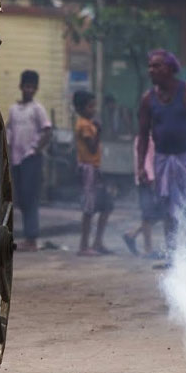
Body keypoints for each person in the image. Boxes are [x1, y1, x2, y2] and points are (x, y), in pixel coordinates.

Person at [136, 50, 186, 254]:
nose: (151, 70)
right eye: (150, 66)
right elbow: (143, 135)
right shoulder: (148, 99)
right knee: (167, 207)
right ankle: (172, 254)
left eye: (157, 66)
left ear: (170, 69)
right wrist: (141, 167)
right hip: (163, 159)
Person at [6, 70, 52, 252]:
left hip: (31, 158)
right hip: (16, 159)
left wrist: (34, 149)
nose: (29, 90)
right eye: (27, 86)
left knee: (30, 197)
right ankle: (28, 236)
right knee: (22, 198)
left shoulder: (37, 109)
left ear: (36, 89)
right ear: (21, 87)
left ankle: (31, 238)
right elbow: (8, 131)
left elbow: (47, 131)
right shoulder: (14, 109)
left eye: (33, 87)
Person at [73, 90, 112, 256]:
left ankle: (97, 242)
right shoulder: (84, 125)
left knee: (106, 206)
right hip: (88, 169)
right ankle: (84, 246)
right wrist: (99, 130)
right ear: (81, 108)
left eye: (94, 105)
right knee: (88, 209)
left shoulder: (88, 123)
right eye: (90, 106)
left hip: (94, 168)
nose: (94, 109)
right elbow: (92, 147)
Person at [122, 135, 165, 258]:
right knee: (148, 214)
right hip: (147, 180)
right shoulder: (145, 138)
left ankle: (132, 235)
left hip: (151, 179)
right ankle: (148, 249)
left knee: (159, 213)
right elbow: (145, 160)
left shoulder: (150, 136)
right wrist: (151, 178)